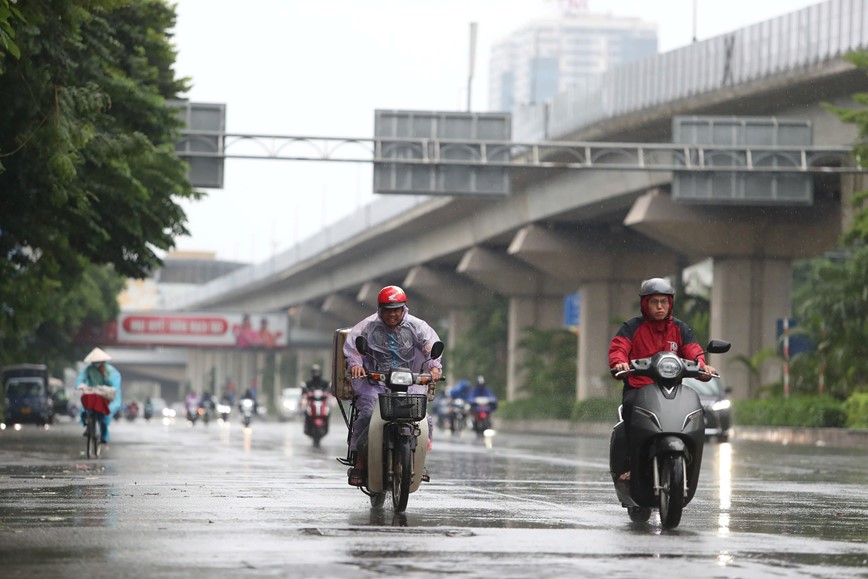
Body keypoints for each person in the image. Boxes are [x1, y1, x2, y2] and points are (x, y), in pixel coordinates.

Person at [608, 277, 716, 480]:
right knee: (630, 410)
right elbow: (619, 349)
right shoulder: (631, 328)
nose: (659, 306)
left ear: (670, 304)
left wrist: (703, 366)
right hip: (639, 389)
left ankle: (688, 457)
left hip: (671, 390)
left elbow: (693, 351)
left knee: (694, 410)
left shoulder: (680, 329)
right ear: (645, 304)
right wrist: (620, 363)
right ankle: (632, 463)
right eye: (654, 302)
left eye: (664, 302)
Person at [343, 285, 442, 486]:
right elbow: (353, 348)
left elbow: (430, 346)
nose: (393, 314)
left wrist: (434, 368)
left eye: (397, 309)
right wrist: (356, 365)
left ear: (404, 308)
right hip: (375, 381)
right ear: (380, 310)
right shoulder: (367, 326)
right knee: (368, 413)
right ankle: (360, 462)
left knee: (424, 418)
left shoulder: (417, 326)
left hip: (410, 381)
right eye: (388, 310)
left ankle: (417, 460)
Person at [76, 347, 122, 444]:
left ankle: (104, 436)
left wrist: (105, 375)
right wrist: (80, 385)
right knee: (86, 409)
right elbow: (81, 379)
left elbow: (114, 385)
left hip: (104, 395)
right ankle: (88, 426)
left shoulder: (110, 370)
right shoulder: (88, 369)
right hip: (92, 393)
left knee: (103, 414)